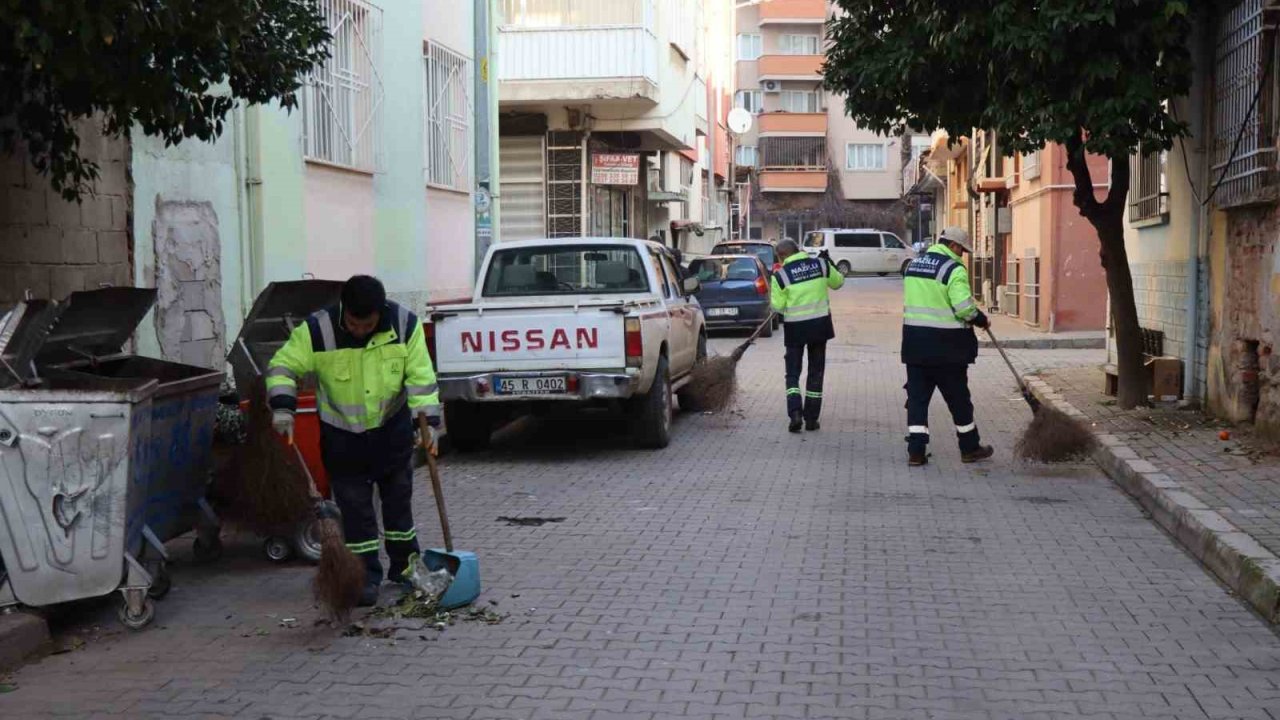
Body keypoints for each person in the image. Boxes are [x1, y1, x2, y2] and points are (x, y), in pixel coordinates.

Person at [266, 275, 441, 606]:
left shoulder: (405, 325)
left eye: (368, 324)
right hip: (342, 438)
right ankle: (364, 576)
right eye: (354, 324)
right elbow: (281, 367)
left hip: (392, 432)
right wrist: (283, 408)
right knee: (357, 513)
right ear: (344, 310)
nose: (360, 330)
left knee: (398, 507)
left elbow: (421, 378)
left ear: (381, 313)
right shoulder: (318, 330)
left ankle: (405, 568)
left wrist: (429, 423)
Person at [901, 227, 994, 466]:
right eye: (962, 250)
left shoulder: (914, 265)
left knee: (917, 400)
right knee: (959, 400)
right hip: (947, 348)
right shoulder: (953, 269)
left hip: (914, 344)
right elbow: (964, 307)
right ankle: (969, 448)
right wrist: (981, 319)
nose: (962, 255)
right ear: (953, 245)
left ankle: (916, 451)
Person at [770, 237, 845, 433]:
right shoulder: (820, 265)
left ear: (782, 255)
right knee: (816, 372)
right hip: (820, 327)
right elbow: (838, 283)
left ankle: (795, 414)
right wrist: (830, 263)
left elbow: (778, 306)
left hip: (795, 329)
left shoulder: (781, 275)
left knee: (793, 373)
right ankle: (811, 419)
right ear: (799, 250)